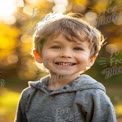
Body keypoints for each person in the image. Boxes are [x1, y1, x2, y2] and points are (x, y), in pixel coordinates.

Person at [15, 13, 116, 122]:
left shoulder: (93, 96)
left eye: (77, 48)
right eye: (56, 47)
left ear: (91, 59)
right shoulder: (29, 95)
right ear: (38, 55)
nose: (66, 54)